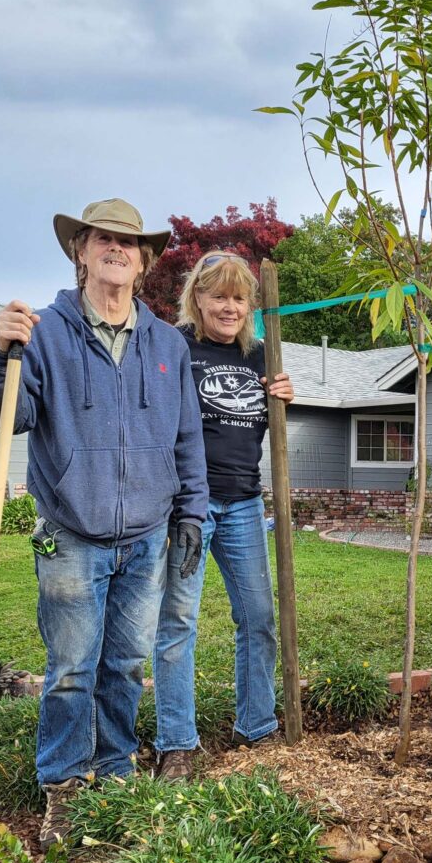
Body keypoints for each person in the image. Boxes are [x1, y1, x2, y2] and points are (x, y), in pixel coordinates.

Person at [0, 198, 208, 847]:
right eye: (103, 238)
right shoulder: (44, 333)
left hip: (147, 538)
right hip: (71, 536)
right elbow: (4, 417)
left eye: (129, 243)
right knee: (73, 669)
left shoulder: (166, 343)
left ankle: (115, 775)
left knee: (126, 665)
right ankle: (64, 792)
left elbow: (187, 437)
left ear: (145, 261)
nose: (116, 249)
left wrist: (191, 510)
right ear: (80, 251)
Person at [152, 252, 294, 779]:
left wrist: (281, 397)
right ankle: (177, 743)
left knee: (258, 619)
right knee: (178, 622)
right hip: (187, 505)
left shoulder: (258, 355)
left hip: (243, 503)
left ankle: (256, 725)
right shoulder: (174, 346)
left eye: (239, 297)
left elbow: (258, 422)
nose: (229, 307)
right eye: (218, 296)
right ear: (198, 299)